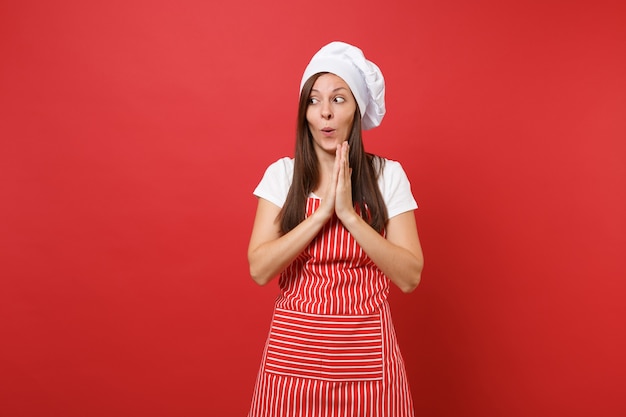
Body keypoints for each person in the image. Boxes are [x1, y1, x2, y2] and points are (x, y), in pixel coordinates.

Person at [247, 41, 424, 417]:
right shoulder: (283, 176)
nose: (325, 112)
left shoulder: (387, 176)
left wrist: (349, 215)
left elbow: (409, 276)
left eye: (339, 99)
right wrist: (320, 214)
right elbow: (260, 268)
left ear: (357, 110)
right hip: (292, 368)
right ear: (304, 112)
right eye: (314, 101)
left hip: (367, 369)